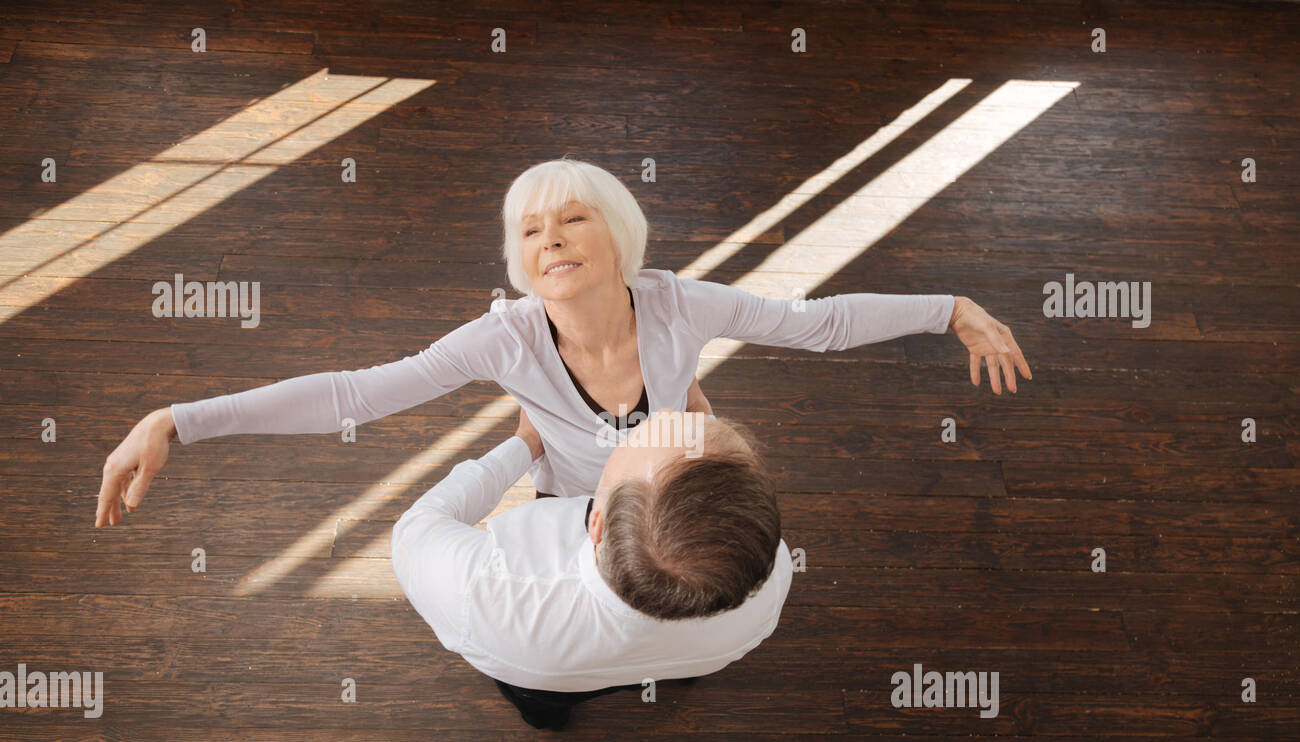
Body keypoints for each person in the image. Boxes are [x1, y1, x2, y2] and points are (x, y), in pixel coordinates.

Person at [94, 157, 1030, 527]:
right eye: (532, 231)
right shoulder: (502, 341)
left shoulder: (676, 305)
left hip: (669, 496)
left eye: (573, 218)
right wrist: (175, 421)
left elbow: (816, 325)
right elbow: (356, 394)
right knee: (547, 689)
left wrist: (952, 307)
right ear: (521, 263)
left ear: (618, 238)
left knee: (678, 611)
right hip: (563, 508)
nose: (550, 238)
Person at [390, 406, 789, 729]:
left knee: (541, 704)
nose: (664, 414)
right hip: (698, 655)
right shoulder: (775, 573)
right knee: (674, 670)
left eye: (634, 440)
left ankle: (548, 721)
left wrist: (526, 443)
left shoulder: (481, 589)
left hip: (547, 679)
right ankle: (682, 675)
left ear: (596, 522)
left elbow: (419, 526)